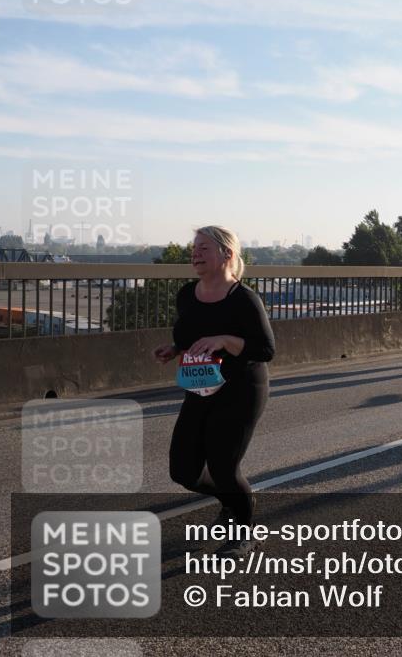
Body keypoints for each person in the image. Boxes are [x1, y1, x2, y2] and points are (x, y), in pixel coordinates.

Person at [153, 226, 275, 556]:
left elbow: (265, 349)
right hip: (201, 387)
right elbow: (193, 333)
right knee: (183, 470)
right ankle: (233, 498)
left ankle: (245, 530)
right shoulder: (187, 294)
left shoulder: (244, 299)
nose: (195, 253)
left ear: (227, 255)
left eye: (204, 248)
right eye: (194, 248)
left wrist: (225, 340)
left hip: (243, 388)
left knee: (223, 465)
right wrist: (176, 349)